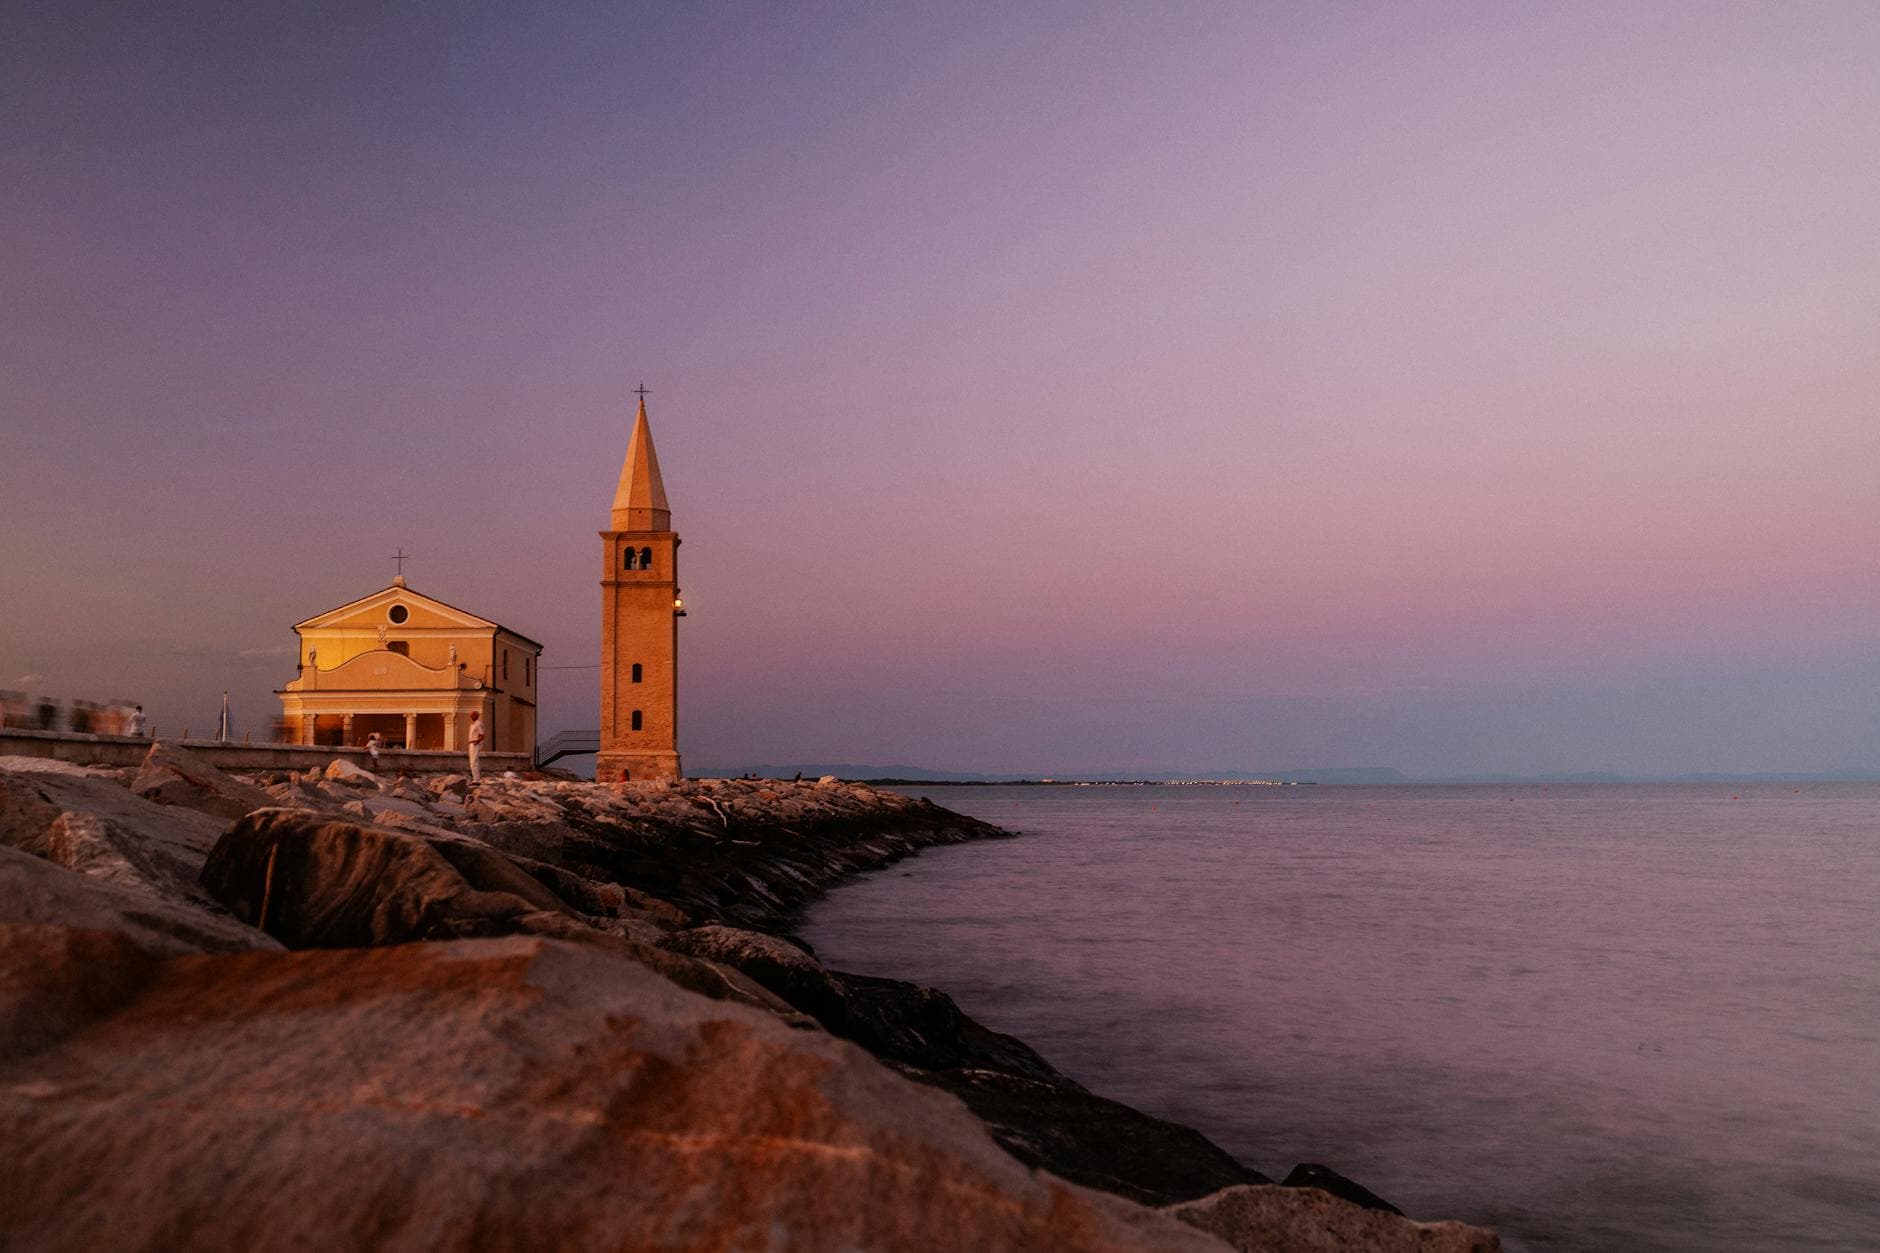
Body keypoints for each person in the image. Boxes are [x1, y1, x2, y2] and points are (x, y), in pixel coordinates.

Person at [466, 711, 485, 783]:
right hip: (471, 743)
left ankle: (476, 779)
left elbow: (482, 735)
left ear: (476, 716)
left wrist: (476, 742)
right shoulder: (472, 724)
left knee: (474, 761)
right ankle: (475, 778)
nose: (471, 717)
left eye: (472, 715)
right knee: (472, 761)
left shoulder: (478, 724)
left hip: (475, 744)